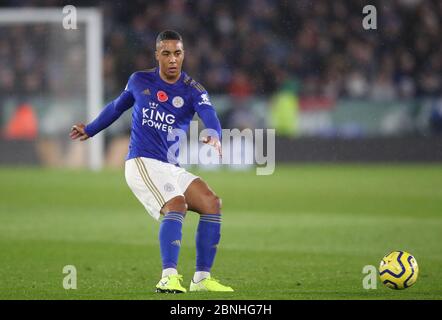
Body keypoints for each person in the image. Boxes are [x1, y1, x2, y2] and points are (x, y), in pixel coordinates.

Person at [70, 30, 233, 293]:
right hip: (141, 162)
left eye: (177, 53)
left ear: (183, 55)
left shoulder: (193, 89)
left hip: (170, 166)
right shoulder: (139, 80)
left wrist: (213, 134)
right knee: (175, 204)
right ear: (157, 54)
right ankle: (168, 276)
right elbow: (116, 107)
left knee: (212, 203)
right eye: (166, 53)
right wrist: (90, 129)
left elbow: (209, 113)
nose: (172, 59)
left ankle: (202, 279)